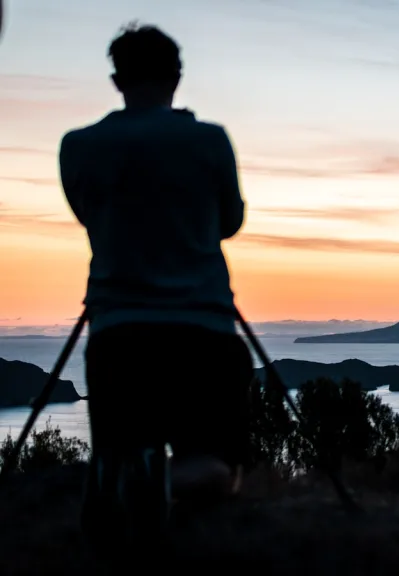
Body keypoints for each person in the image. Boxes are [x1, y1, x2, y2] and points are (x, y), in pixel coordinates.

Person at [57, 22, 253, 545]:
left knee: (124, 450)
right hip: (203, 328)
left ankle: (126, 482)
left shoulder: (78, 147)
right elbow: (230, 222)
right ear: (177, 76)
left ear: (117, 79)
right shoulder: (208, 140)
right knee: (218, 468)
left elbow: (88, 216)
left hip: (118, 329)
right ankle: (157, 483)